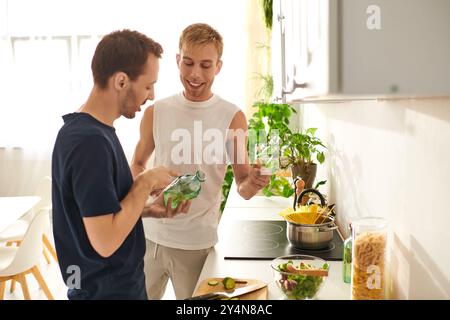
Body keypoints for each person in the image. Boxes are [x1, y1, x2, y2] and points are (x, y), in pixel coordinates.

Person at [130, 23, 270, 300]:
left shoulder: (232, 117)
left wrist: (254, 182)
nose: (195, 74)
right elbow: (137, 162)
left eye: (206, 65)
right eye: (189, 63)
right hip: (147, 239)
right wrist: (145, 187)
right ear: (178, 60)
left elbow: (242, 185)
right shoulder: (156, 112)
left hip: (196, 246)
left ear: (218, 66)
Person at [51, 29, 190, 300]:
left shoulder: (90, 132)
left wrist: (148, 210)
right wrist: (146, 181)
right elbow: (105, 242)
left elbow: (98, 217)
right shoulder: (89, 143)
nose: (151, 95)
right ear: (121, 81)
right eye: (148, 85)